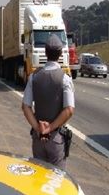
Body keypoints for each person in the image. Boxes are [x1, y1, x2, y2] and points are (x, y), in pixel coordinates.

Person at [22, 35, 74, 169]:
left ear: (45, 53)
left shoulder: (33, 76)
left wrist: (38, 128)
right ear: (61, 53)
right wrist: (50, 128)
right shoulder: (65, 78)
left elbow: (26, 106)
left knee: (38, 177)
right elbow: (69, 110)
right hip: (56, 137)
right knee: (57, 180)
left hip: (38, 138)